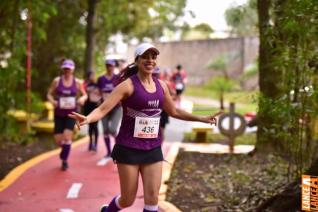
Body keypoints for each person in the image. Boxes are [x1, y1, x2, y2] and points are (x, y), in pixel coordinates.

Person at [69, 43, 222, 212]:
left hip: (152, 148)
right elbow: (103, 109)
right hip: (128, 148)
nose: (150, 60)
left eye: (153, 57)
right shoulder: (127, 86)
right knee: (128, 199)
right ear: (137, 60)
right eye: (145, 57)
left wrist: (202, 118)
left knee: (152, 197)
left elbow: (174, 111)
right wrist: (88, 118)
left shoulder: (162, 86)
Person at [47, 59, 87, 171]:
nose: (67, 70)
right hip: (59, 113)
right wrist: (52, 101)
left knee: (67, 136)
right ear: (63, 69)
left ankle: (64, 160)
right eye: (65, 68)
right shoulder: (57, 81)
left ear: (72, 69)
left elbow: (85, 95)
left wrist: (82, 99)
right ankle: (64, 151)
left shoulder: (78, 82)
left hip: (71, 114)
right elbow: (49, 94)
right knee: (59, 140)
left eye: (69, 68)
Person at [97, 59, 122, 157]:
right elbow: (99, 91)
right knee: (105, 130)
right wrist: (99, 99)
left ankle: (118, 148)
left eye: (111, 65)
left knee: (112, 129)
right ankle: (108, 152)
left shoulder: (118, 78)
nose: (109, 67)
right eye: (107, 65)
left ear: (113, 66)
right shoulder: (101, 79)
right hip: (104, 108)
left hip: (116, 107)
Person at [83, 71, 101, 151]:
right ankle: (90, 143)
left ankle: (96, 144)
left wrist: (100, 101)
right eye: (91, 75)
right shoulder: (85, 85)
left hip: (96, 107)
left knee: (95, 126)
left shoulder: (98, 85)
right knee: (90, 127)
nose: (92, 77)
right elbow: (82, 94)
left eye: (93, 75)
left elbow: (101, 94)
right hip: (88, 107)